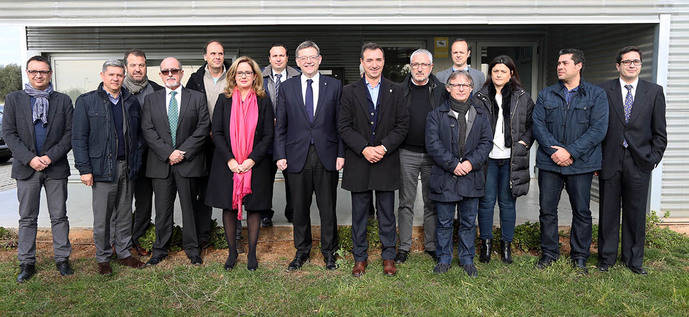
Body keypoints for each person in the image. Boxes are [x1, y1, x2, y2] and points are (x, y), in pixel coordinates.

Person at [532, 48, 609, 274]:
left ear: (579, 66)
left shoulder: (596, 95)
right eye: (558, 63)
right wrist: (555, 151)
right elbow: (538, 125)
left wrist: (571, 152)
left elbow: (598, 130)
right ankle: (549, 254)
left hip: (581, 164)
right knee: (547, 210)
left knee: (582, 212)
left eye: (565, 63)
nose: (559, 66)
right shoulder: (546, 94)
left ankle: (580, 257)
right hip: (550, 163)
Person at [338, 42, 409, 277]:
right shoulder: (348, 91)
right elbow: (344, 126)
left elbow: (402, 125)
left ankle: (389, 256)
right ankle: (360, 258)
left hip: (386, 160)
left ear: (383, 62)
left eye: (378, 60)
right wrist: (364, 149)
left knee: (387, 212)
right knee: (359, 213)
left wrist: (383, 147)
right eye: (369, 60)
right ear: (362, 63)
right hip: (359, 161)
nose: (374, 64)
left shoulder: (396, 90)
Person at [2, 56, 74, 282]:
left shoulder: (62, 101)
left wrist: (50, 157)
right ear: (27, 72)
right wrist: (30, 159)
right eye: (34, 71)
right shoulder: (14, 100)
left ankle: (62, 259)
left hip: (55, 167)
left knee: (59, 216)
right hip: (27, 168)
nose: (38, 75)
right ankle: (26, 262)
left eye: (43, 71)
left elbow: (70, 133)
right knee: (27, 218)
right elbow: (9, 134)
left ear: (50, 74)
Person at [275, 41, 344, 271]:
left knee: (327, 207)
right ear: (297, 62)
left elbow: (340, 124)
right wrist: (280, 154)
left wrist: (341, 153)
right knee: (299, 208)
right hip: (296, 156)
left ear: (320, 59)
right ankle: (301, 251)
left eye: (312, 57)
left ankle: (329, 252)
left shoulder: (334, 86)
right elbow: (280, 126)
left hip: (327, 155)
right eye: (303, 58)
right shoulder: (286, 88)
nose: (308, 61)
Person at [597, 46, 667, 275]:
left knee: (635, 213)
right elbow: (597, 128)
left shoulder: (654, 92)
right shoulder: (604, 90)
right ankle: (606, 258)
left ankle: (633, 260)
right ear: (618, 65)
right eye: (627, 61)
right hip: (610, 160)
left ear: (640, 65)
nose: (632, 65)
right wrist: (597, 159)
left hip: (639, 162)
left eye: (636, 61)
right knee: (608, 212)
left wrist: (652, 159)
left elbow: (660, 133)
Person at [72, 59, 146, 275]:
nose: (115, 78)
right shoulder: (87, 102)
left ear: (124, 77)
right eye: (111, 74)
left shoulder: (130, 101)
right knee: (103, 216)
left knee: (124, 213)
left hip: (127, 167)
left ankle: (123, 253)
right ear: (102, 75)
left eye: (119, 75)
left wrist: (137, 162)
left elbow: (138, 137)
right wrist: (84, 169)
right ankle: (103, 257)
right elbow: (78, 139)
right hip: (102, 168)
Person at [205, 56, 274, 271]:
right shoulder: (224, 99)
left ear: (255, 76)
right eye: (240, 72)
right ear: (233, 75)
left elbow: (268, 135)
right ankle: (232, 252)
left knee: (254, 208)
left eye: (248, 72)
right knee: (228, 206)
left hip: (256, 163)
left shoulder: (263, 100)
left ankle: (252, 254)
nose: (244, 76)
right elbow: (216, 132)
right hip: (228, 163)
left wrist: (252, 159)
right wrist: (231, 160)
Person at [140, 57, 210, 266]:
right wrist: (169, 153)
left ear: (181, 73)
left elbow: (203, 127)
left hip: (188, 163)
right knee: (162, 211)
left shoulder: (196, 98)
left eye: (174, 70)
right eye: (165, 71)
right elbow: (148, 130)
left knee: (190, 209)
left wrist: (182, 152)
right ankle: (160, 249)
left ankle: (192, 249)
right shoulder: (152, 100)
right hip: (161, 164)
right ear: (160, 75)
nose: (170, 74)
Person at [425, 70, 492, 276]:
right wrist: (453, 164)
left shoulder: (481, 114)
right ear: (448, 88)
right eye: (456, 84)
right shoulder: (436, 115)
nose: (461, 88)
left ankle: (466, 259)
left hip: (472, 177)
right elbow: (433, 144)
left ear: (471, 89)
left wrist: (471, 163)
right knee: (444, 222)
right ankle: (444, 259)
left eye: (465, 85)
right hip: (445, 177)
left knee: (468, 222)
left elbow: (486, 142)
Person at [474, 55, 535, 264]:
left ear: (511, 74)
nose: (499, 74)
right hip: (488, 159)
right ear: (490, 74)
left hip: (511, 159)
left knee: (508, 204)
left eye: (503, 71)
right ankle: (486, 245)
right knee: (486, 203)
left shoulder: (522, 97)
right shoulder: (480, 96)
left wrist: (524, 143)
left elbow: (532, 124)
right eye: (495, 71)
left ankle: (506, 246)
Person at [394, 48, 445, 264]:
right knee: (406, 201)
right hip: (407, 153)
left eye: (424, 65)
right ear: (410, 67)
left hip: (433, 155)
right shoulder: (398, 90)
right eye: (416, 65)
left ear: (431, 67)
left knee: (432, 201)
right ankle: (404, 247)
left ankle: (431, 245)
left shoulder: (442, 90)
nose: (420, 69)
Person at [186, 40, 232, 249]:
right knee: (202, 191)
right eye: (212, 53)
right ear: (204, 56)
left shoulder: (232, 76)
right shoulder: (195, 80)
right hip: (203, 144)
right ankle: (203, 236)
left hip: (229, 143)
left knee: (232, 189)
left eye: (220, 53)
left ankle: (234, 236)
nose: (217, 57)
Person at [121, 49, 163, 256]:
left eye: (142, 65)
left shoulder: (157, 90)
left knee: (145, 202)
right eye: (133, 65)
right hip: (124, 157)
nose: (138, 69)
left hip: (150, 157)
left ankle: (135, 239)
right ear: (126, 67)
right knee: (122, 203)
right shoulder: (116, 90)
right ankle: (118, 240)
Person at [261, 43, 300, 227]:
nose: (278, 59)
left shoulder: (297, 76)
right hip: (266, 135)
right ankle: (265, 214)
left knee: (291, 177)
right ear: (269, 58)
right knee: (265, 178)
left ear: (287, 58)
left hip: (289, 135)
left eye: (281, 55)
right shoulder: (259, 76)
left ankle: (292, 212)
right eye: (274, 55)